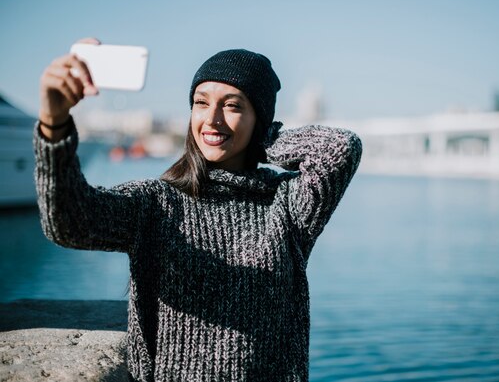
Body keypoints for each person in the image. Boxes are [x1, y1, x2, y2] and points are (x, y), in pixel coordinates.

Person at [35, 38, 362, 382]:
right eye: (200, 102)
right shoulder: (157, 202)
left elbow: (339, 149)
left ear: (259, 119)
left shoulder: (286, 205)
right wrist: (54, 124)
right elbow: (68, 222)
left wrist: (265, 136)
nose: (211, 119)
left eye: (233, 106)